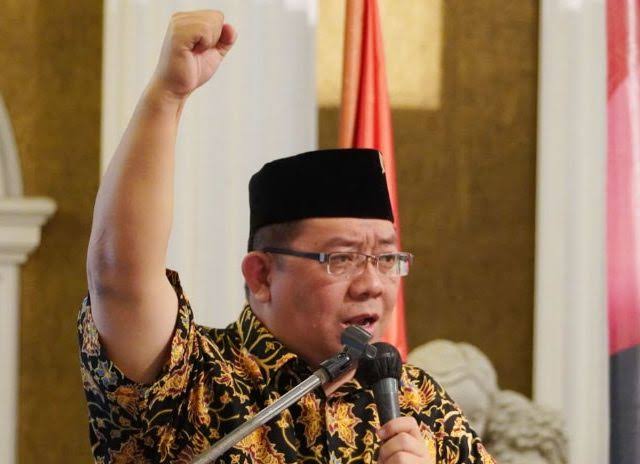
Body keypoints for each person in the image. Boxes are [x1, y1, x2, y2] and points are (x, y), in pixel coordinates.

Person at [78, 10, 496, 464]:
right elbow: (118, 276)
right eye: (342, 259)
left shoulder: (422, 406)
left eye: (387, 259)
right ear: (261, 275)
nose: (372, 285)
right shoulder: (196, 382)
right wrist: (167, 96)